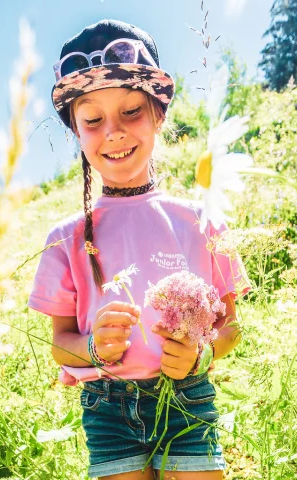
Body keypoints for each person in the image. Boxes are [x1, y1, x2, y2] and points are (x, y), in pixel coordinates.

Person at [28, 20, 250, 480]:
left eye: (131, 112)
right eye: (92, 119)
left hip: (188, 400)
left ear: (159, 116)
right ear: (76, 130)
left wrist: (201, 355)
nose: (113, 132)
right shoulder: (66, 237)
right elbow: (60, 345)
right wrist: (92, 347)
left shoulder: (202, 219)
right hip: (109, 414)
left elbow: (231, 327)